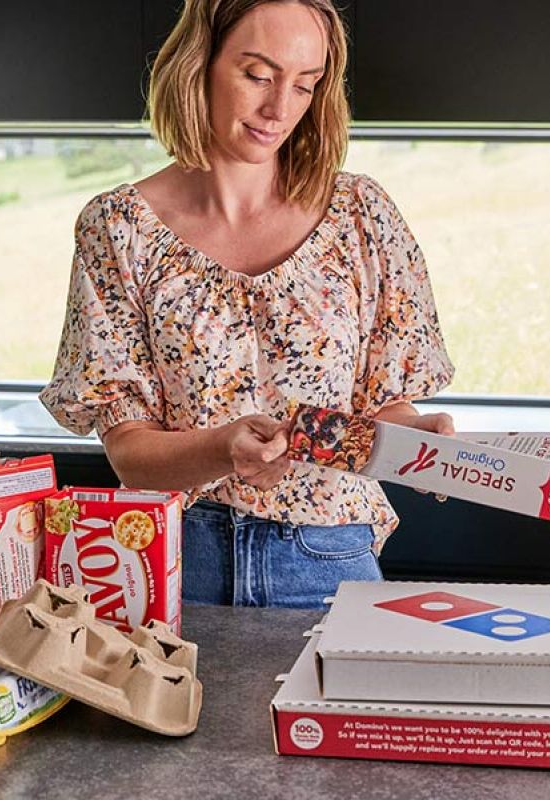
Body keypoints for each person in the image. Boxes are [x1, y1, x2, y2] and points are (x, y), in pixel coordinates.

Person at [40, 0, 455, 609]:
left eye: (304, 85)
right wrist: (219, 447)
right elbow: (130, 453)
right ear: (199, 63)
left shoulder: (363, 215)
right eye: (258, 75)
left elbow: (379, 406)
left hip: (330, 555)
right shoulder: (117, 228)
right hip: (178, 564)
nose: (279, 109)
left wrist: (422, 436)